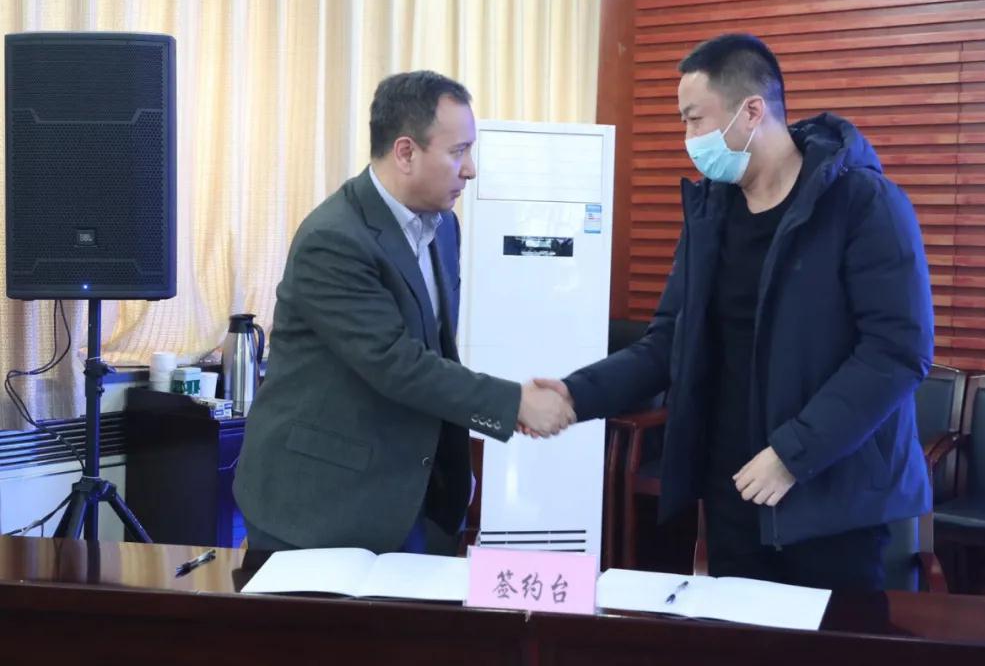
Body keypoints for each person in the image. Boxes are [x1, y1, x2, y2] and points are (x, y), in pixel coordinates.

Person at [538, 34, 934, 590]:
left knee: (832, 635)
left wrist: (793, 454)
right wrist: (575, 395)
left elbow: (897, 352)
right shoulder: (711, 211)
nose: (689, 140)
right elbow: (668, 342)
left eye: (695, 120)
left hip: (830, 494)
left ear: (751, 111)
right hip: (734, 491)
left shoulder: (863, 203)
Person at [234, 70, 574, 555]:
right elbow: (395, 363)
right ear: (406, 152)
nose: (471, 170)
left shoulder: (444, 228)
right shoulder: (334, 239)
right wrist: (513, 403)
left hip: (414, 495)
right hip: (321, 506)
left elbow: (437, 350)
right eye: (458, 152)